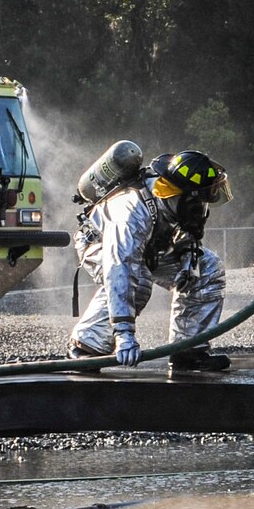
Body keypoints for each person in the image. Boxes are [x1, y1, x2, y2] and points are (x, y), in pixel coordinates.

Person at [69, 149, 233, 371]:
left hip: (150, 246)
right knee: (138, 278)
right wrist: (124, 334)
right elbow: (120, 267)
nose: (201, 209)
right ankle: (85, 347)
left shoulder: (172, 200)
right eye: (200, 201)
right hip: (100, 243)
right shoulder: (131, 212)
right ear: (187, 197)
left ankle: (188, 350)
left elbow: (184, 230)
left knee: (207, 268)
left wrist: (186, 260)